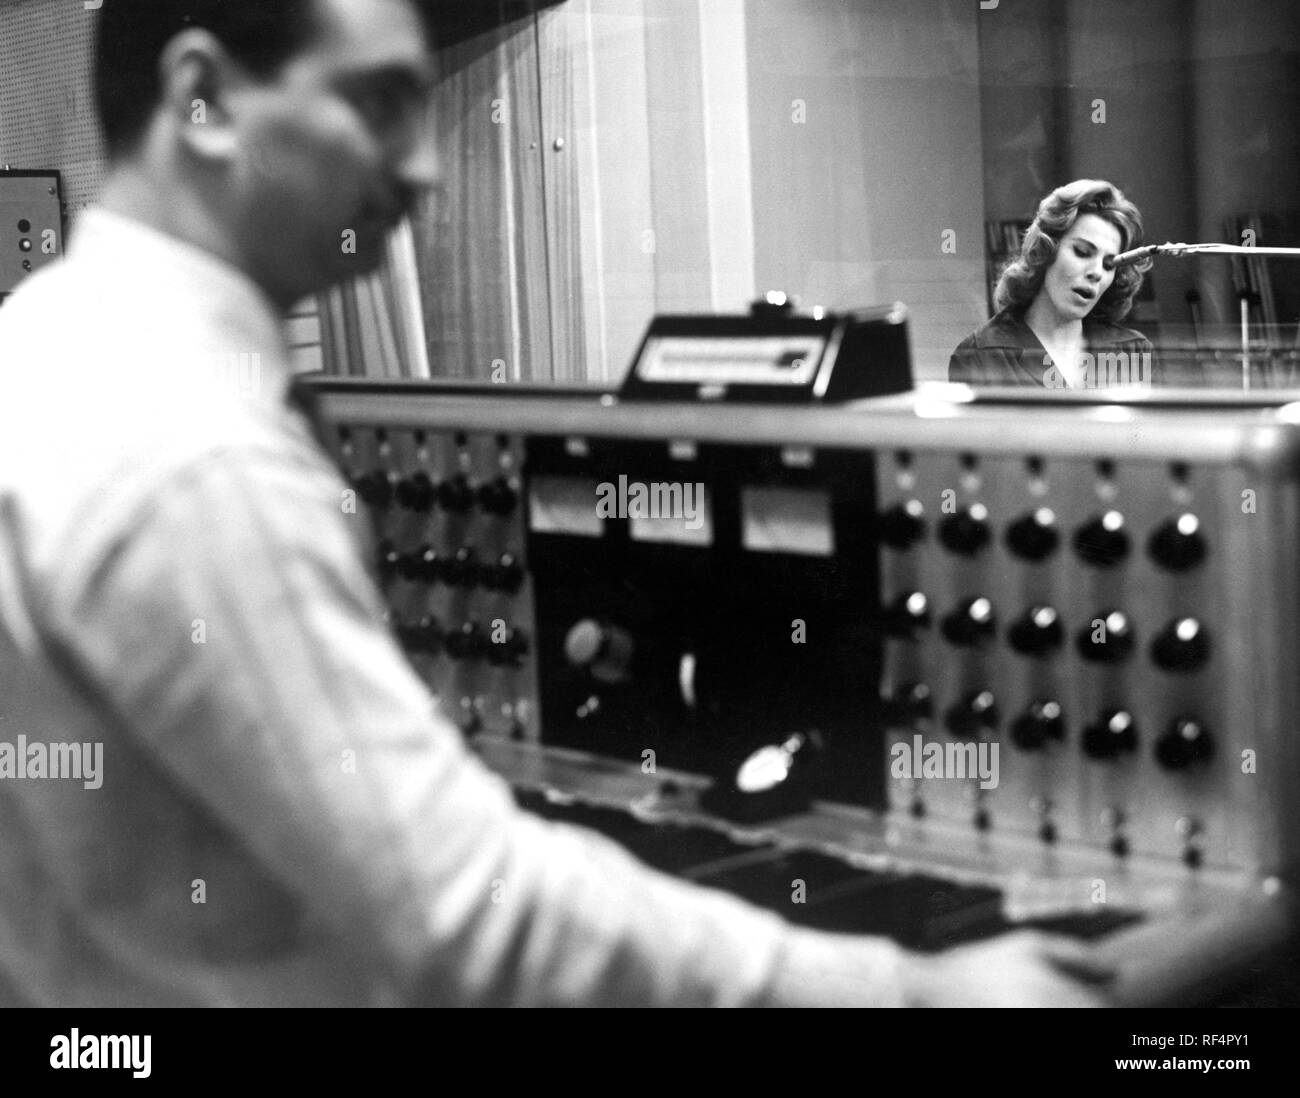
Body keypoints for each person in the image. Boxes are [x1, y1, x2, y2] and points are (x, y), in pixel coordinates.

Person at [0, 0, 1113, 1007]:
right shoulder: (202, 454)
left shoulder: (43, 345)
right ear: (203, 98)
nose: (426, 168)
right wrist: (915, 996)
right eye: (383, 102)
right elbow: (471, 912)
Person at [950, 180, 1156, 389]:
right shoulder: (980, 355)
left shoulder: (1133, 351)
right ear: (1046, 250)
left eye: (1109, 264)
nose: (1096, 272)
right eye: (1082, 252)